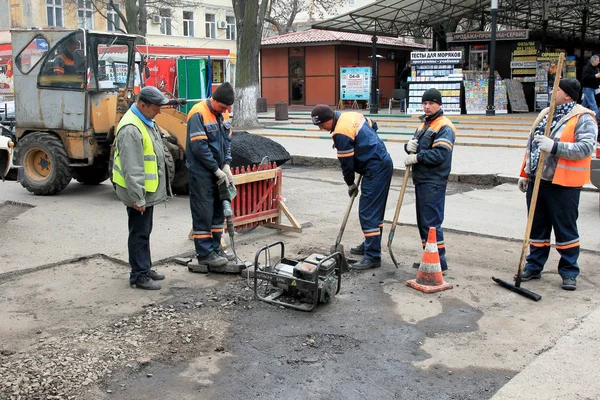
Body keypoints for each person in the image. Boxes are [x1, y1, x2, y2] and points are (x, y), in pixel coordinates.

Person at [517, 78, 597, 291]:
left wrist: (554, 146)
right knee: (537, 228)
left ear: (568, 95)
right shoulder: (545, 114)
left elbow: (585, 148)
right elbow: (531, 146)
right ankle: (534, 266)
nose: (553, 93)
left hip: (563, 184)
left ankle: (569, 271)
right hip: (538, 181)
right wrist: (525, 173)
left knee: (565, 230)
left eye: (557, 89)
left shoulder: (583, 117)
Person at [311, 104, 393, 270]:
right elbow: (373, 125)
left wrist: (350, 184)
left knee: (368, 211)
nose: (320, 129)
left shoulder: (341, 132)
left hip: (375, 169)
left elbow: (346, 164)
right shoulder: (351, 116)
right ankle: (371, 244)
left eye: (320, 125)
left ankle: (373, 256)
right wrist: (366, 144)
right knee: (375, 210)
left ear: (328, 120)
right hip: (381, 162)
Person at [113, 86, 169, 290]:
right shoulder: (131, 128)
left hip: (146, 190)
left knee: (144, 230)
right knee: (139, 232)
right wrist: (138, 197)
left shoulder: (144, 120)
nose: (159, 112)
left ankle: (144, 268)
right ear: (142, 105)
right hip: (138, 192)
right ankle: (138, 275)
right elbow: (132, 167)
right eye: (156, 108)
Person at [404, 88, 456, 272]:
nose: (427, 107)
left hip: (433, 180)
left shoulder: (444, 126)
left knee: (431, 223)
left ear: (439, 105)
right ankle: (429, 257)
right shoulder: (424, 125)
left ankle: (438, 262)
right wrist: (407, 146)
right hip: (422, 179)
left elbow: (440, 154)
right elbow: (416, 146)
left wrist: (418, 157)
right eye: (424, 103)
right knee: (424, 222)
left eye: (431, 103)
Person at [186, 82, 236, 270]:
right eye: (222, 107)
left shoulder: (223, 113)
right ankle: (205, 254)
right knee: (203, 213)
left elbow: (228, 140)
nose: (225, 111)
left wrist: (227, 164)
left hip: (218, 171)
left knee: (217, 210)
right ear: (214, 100)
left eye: (227, 108)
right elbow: (199, 147)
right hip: (202, 173)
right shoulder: (198, 113)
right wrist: (216, 169)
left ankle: (216, 248)